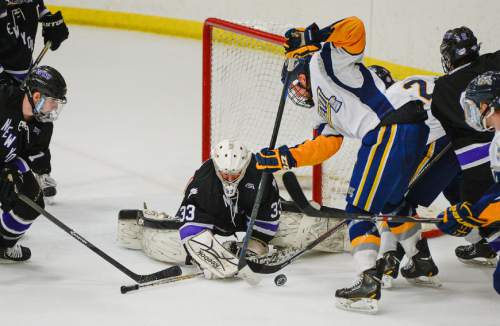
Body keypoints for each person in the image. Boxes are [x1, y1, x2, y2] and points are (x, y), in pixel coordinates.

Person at [256, 17, 439, 313]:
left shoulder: (326, 62)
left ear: (302, 68)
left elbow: (355, 27)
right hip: (403, 131)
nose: (298, 91)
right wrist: (284, 157)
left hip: (388, 129)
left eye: (297, 83)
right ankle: (420, 259)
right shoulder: (322, 108)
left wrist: (316, 36)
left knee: (358, 209)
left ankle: (367, 282)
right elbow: (327, 144)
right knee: (392, 203)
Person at [431, 27, 500, 266]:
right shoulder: (493, 62)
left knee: (468, 209)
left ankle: (488, 243)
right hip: (497, 150)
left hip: (476, 168)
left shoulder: (441, 88)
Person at [436, 71, 500, 294]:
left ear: (490, 105)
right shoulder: (497, 140)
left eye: (477, 105)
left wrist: (475, 213)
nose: (473, 112)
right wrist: (471, 212)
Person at [1, 0, 69, 204]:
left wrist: (47, 17)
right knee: (9, 121)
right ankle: (9, 169)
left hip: (23, 68)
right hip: (4, 73)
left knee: (41, 115)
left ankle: (38, 169)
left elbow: (36, 4)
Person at [0, 65, 67, 262]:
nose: (55, 108)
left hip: (6, 163)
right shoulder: (3, 98)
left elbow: (35, 153)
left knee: (33, 202)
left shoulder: (43, 125)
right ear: (36, 97)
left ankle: (3, 245)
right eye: (52, 101)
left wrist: (40, 172)